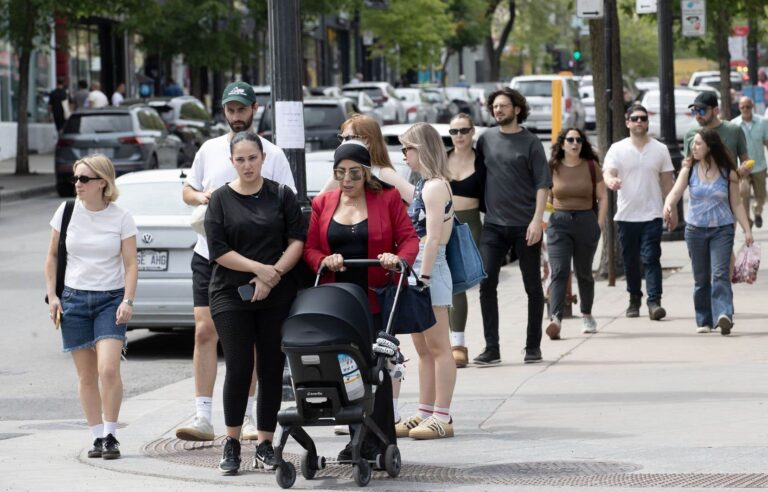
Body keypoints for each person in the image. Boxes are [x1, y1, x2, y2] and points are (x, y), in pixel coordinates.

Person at [176, 81, 296, 442]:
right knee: (204, 331)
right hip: (210, 252)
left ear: (254, 109)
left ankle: (247, 415)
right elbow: (187, 190)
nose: (236, 116)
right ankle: (202, 415)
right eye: (230, 110)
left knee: (252, 342)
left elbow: (287, 206)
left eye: (242, 109)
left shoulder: (272, 153)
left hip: (262, 261)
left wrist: (269, 271)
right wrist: (202, 196)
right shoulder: (210, 149)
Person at [303, 140, 419, 459]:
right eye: (340, 173)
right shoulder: (323, 204)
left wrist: (396, 258)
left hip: (375, 299)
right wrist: (325, 261)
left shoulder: (388, 199)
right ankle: (356, 436)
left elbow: (409, 238)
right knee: (345, 369)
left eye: (354, 173)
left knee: (375, 369)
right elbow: (310, 249)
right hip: (338, 303)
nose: (347, 180)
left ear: (366, 173)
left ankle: (379, 440)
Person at [205, 131, 305, 475]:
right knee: (238, 365)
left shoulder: (281, 195)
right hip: (230, 293)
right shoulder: (219, 199)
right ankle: (231, 442)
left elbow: (297, 240)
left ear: (263, 158)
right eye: (240, 159)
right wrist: (259, 270)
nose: (247, 165)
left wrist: (272, 275)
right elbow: (218, 250)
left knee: (271, 368)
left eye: (252, 158)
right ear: (231, 162)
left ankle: (265, 443)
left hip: (276, 294)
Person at [44, 155, 138, 460]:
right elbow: (52, 257)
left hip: (110, 300)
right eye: (75, 178)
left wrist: (127, 299)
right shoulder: (67, 210)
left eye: (84, 179)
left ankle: (111, 434)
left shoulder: (121, 217)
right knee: (86, 376)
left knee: (108, 369)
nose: (77, 185)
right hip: (73, 299)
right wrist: (52, 296)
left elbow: (131, 264)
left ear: (102, 182)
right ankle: (96, 436)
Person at [473, 88, 551, 365]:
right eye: (494, 106)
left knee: (533, 287)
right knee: (486, 284)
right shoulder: (485, 140)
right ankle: (491, 348)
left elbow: (543, 184)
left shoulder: (531, 142)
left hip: (525, 225)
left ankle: (533, 346)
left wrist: (537, 221)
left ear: (517, 109)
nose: (497, 110)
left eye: (503, 106)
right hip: (493, 225)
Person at [395, 122, 457, 440]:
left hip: (429, 270)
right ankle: (425, 409)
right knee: (421, 347)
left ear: (421, 148)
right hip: (417, 270)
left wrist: (426, 278)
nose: (404, 154)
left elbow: (433, 239)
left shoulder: (435, 187)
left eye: (407, 148)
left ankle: (442, 415)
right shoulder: (422, 184)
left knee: (438, 345)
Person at [663, 129, 753, 335]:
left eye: (698, 144)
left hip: (722, 229)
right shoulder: (689, 171)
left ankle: (724, 315)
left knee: (720, 274)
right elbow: (675, 193)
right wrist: (667, 206)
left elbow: (737, 203)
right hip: (695, 230)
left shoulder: (727, 173)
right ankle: (704, 320)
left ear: (710, 147)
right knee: (701, 278)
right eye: (693, 144)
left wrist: (747, 230)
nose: (693, 148)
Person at [603, 103, 676, 320]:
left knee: (651, 257)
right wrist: (611, 181)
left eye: (642, 118)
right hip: (626, 215)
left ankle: (654, 302)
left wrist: (672, 211)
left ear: (647, 122)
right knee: (631, 260)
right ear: (627, 122)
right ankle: (634, 299)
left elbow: (667, 185)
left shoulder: (660, 149)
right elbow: (608, 172)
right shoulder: (617, 148)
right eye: (634, 118)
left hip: (652, 213)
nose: (639, 122)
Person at [545, 128, 607, 339]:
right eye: (570, 140)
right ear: (562, 144)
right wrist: (542, 219)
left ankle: (587, 315)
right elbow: (546, 196)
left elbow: (603, 197)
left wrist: (599, 225)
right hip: (559, 223)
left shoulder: (591, 166)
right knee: (560, 270)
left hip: (585, 221)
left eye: (578, 140)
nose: (575, 143)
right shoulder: (553, 166)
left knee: (583, 272)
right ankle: (555, 318)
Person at [445, 113, 484, 367]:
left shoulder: (482, 161)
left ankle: (458, 344)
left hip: (470, 224)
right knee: (443, 284)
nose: (458, 136)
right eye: (454, 131)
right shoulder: (441, 158)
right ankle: (450, 343)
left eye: (463, 131)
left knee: (458, 283)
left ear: (472, 132)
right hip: (443, 221)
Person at [321, 113, 414, 202]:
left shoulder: (383, 173)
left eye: (348, 138)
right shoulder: (342, 171)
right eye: (342, 138)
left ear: (368, 140)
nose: (343, 143)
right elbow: (319, 203)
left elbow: (418, 199)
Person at [731, 96, 768, 228]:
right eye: (742, 107)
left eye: (748, 106)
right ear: (739, 108)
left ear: (752, 107)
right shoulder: (734, 125)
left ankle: (757, 211)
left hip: (759, 166)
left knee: (761, 196)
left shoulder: (763, 122)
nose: (745, 109)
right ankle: (747, 221)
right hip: (743, 168)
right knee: (743, 193)